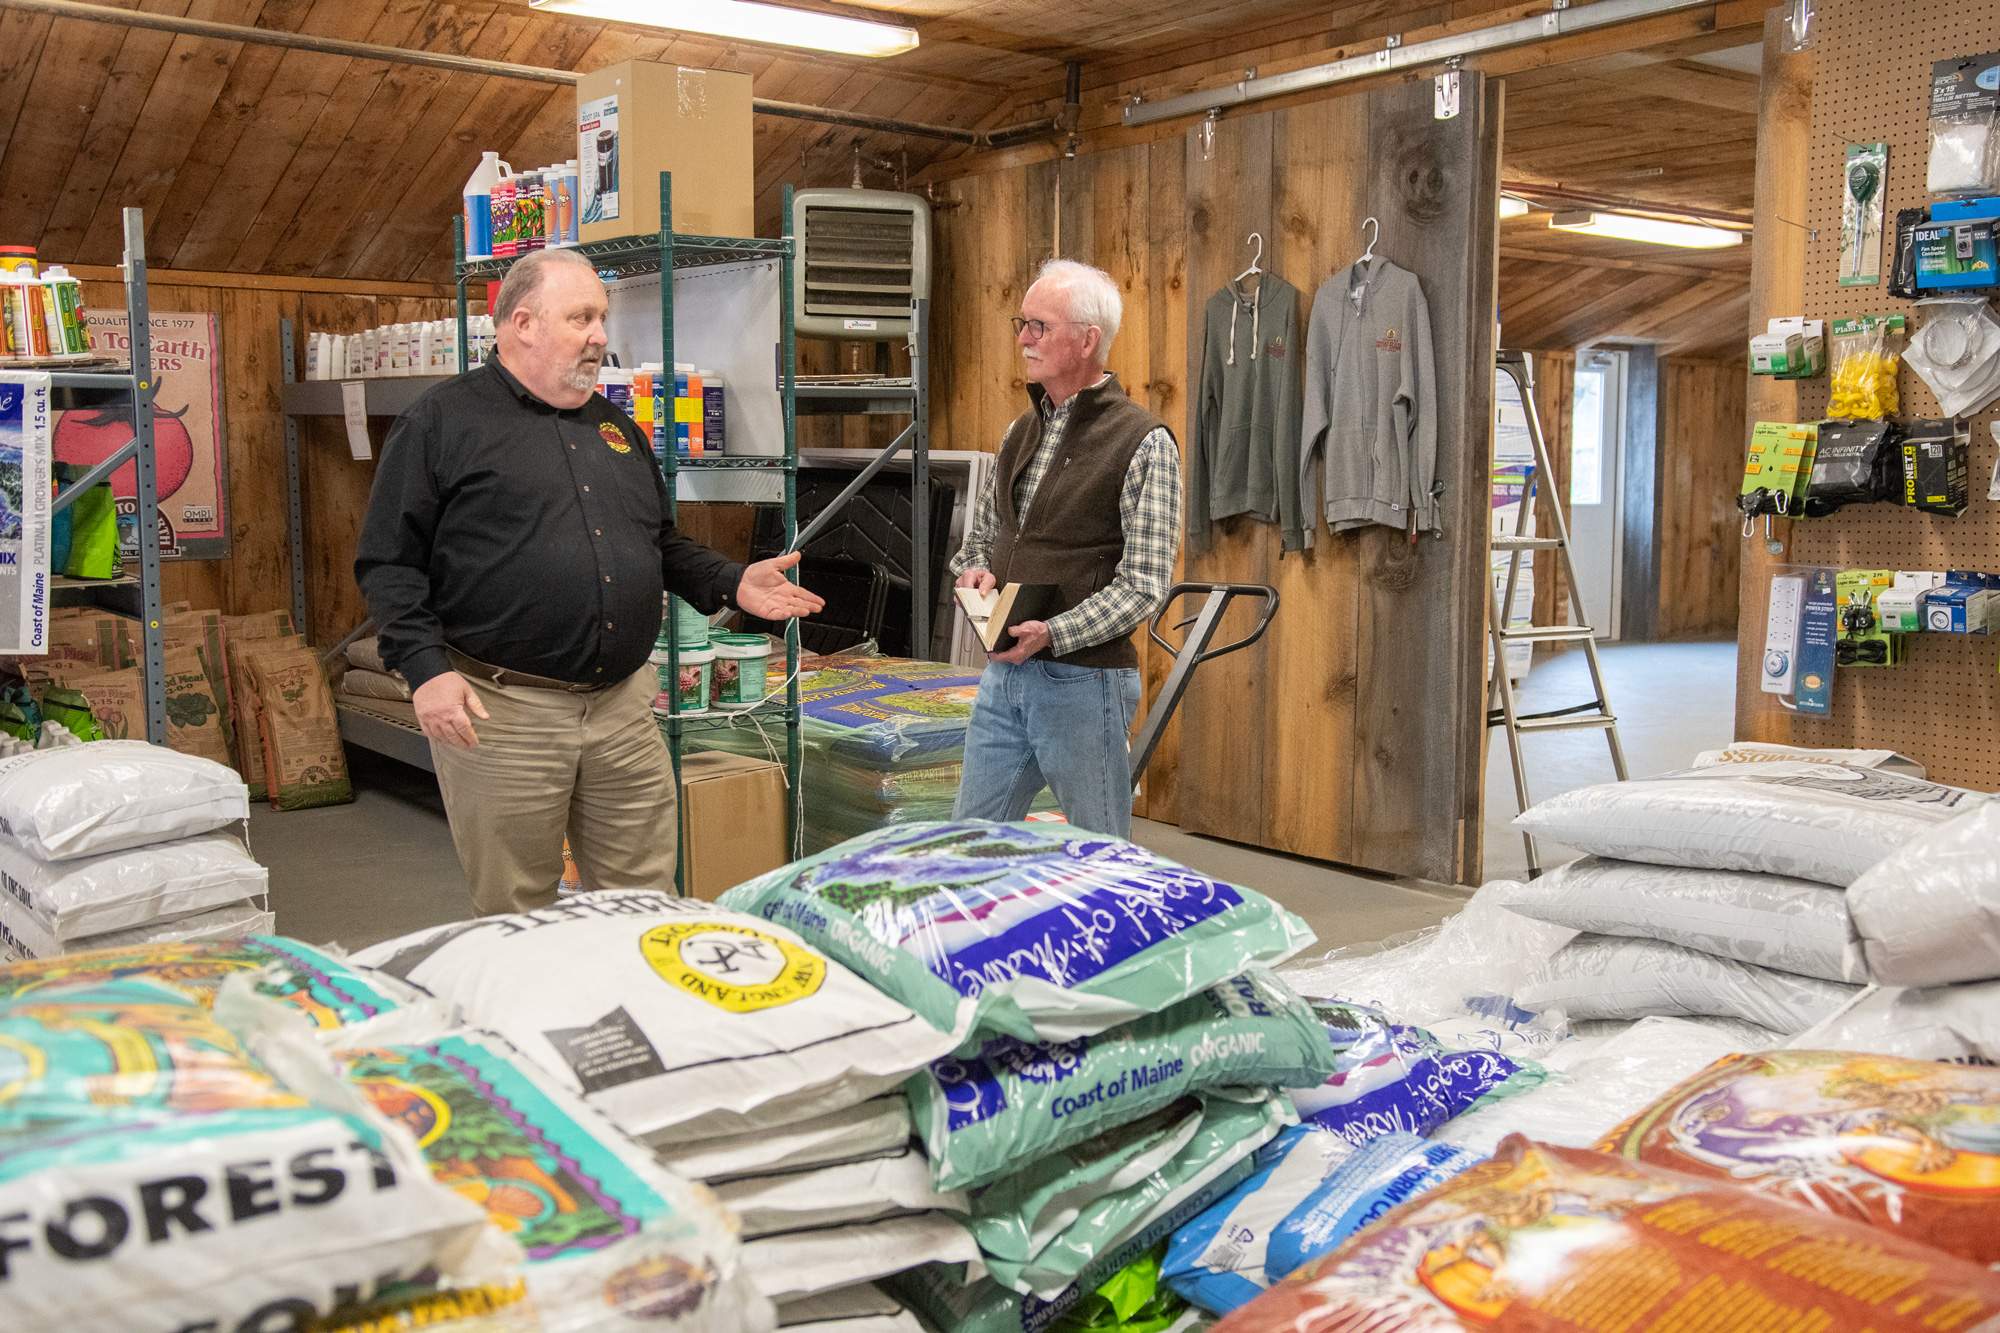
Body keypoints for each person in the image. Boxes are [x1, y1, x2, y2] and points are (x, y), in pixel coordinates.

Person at [355, 247, 822, 915]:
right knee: (519, 912)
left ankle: (629, 1019)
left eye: (601, 318)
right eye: (581, 317)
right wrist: (426, 672)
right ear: (522, 323)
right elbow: (388, 562)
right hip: (506, 712)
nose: (600, 334)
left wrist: (731, 581)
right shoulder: (441, 423)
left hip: (623, 711)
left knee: (645, 904)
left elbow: (659, 545)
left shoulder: (614, 427)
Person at [949, 258, 1183, 838]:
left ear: (1087, 340)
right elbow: (984, 534)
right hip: (1006, 678)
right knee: (969, 843)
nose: (1024, 338)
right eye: (1021, 323)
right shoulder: (1019, 431)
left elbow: (1143, 587)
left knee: (1098, 851)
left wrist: (1054, 632)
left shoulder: (1144, 442)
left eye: (1039, 326)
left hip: (1086, 685)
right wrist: (974, 570)